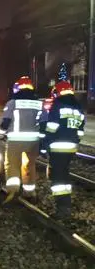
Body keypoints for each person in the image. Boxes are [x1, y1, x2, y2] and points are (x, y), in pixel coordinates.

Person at [0, 76, 42, 202]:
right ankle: (30, 192)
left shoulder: (12, 103)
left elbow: (6, 121)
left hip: (15, 140)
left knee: (12, 165)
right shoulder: (38, 103)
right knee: (29, 165)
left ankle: (13, 191)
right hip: (33, 141)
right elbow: (43, 123)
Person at [44, 81, 85, 219]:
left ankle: (62, 209)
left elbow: (51, 127)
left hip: (57, 147)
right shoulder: (77, 107)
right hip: (71, 148)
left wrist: (45, 144)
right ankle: (66, 204)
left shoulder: (58, 105)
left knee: (58, 178)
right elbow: (80, 132)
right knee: (64, 174)